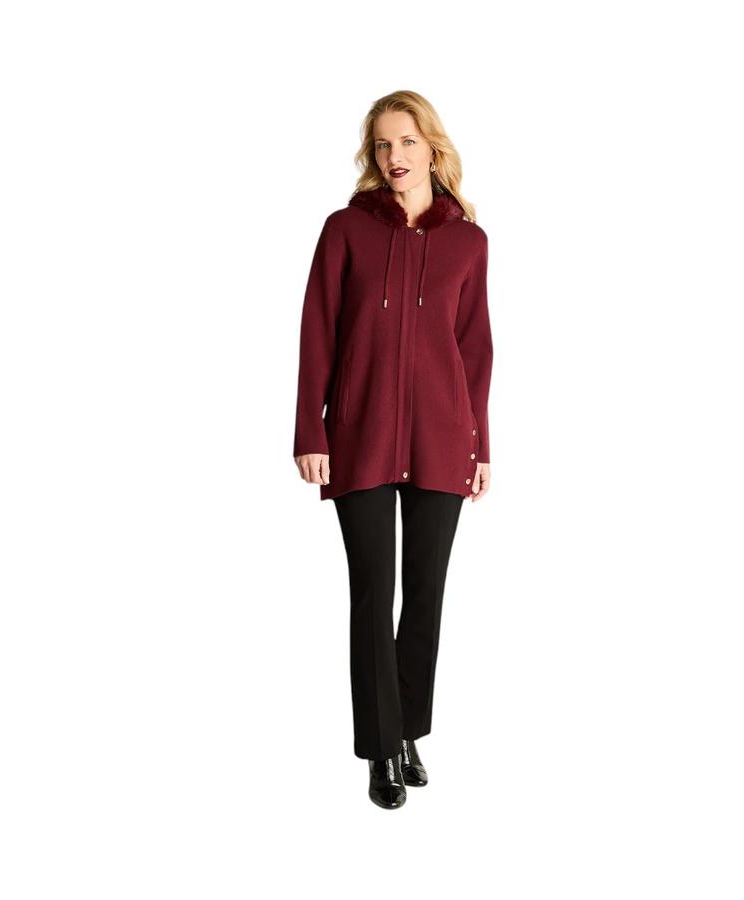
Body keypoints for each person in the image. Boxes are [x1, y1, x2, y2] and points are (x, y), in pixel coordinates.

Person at [292, 90, 494, 809]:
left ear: (432, 148)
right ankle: (381, 749)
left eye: (406, 141)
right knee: (374, 593)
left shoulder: (468, 241)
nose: (394, 156)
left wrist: (480, 445)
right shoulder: (345, 230)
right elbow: (318, 331)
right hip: (361, 435)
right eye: (382, 144)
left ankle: (408, 731)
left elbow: (475, 348)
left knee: (426, 595)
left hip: (442, 437)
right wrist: (310, 431)